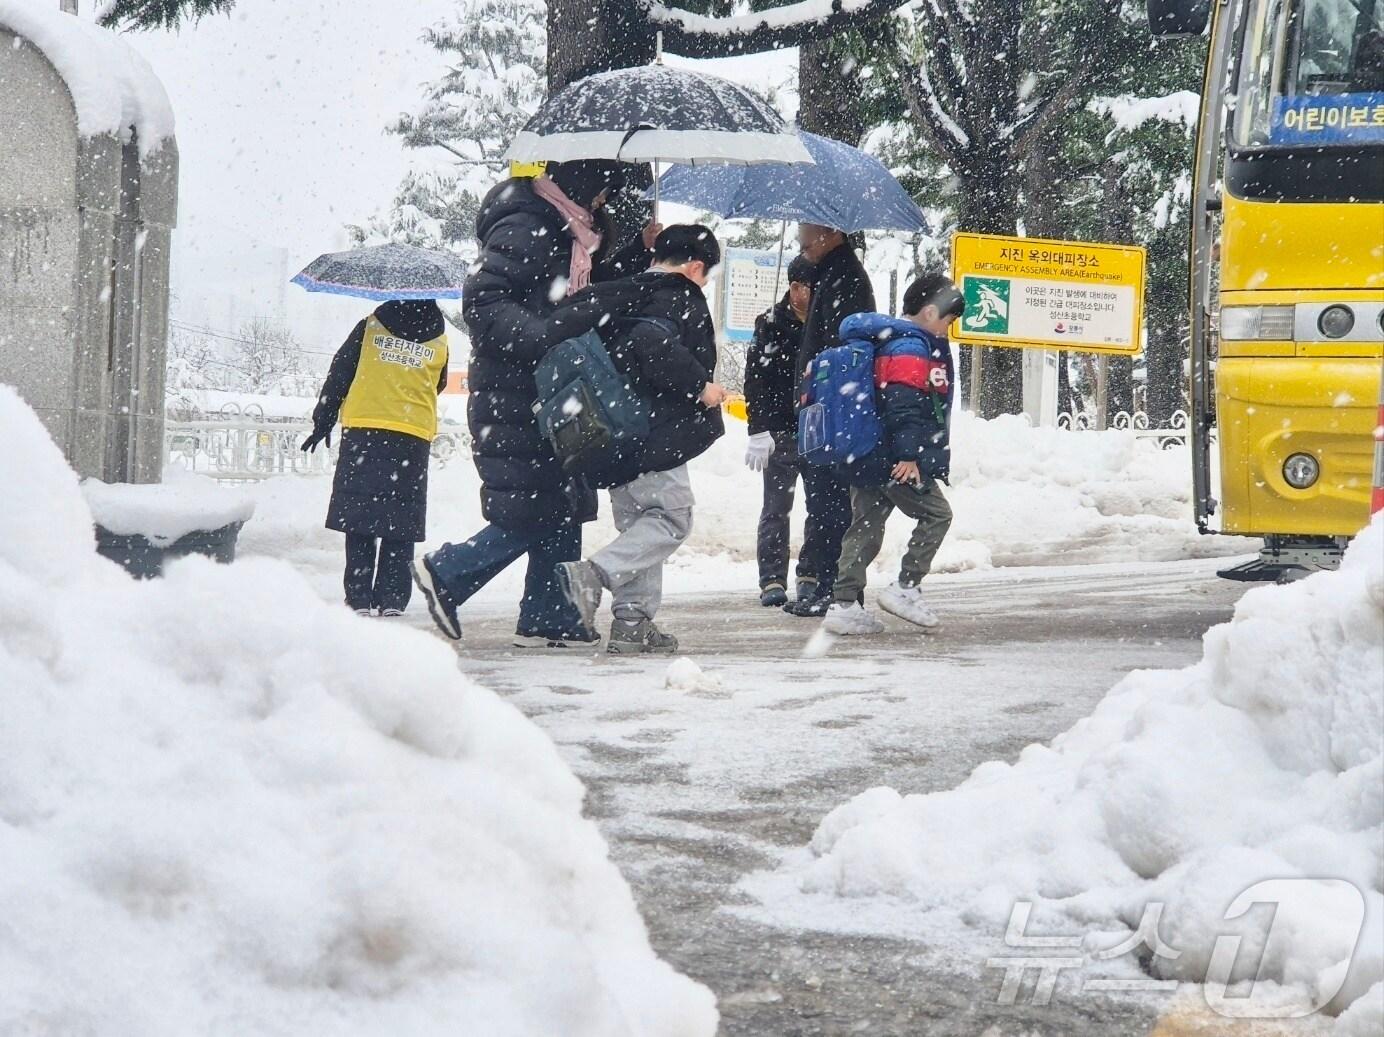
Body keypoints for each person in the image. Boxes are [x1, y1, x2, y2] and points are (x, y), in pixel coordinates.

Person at [412, 161, 658, 647]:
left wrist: (639, 252)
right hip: (518, 388)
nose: (604, 200)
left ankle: (551, 617)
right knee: (537, 504)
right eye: (602, 189)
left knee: (566, 499)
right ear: (582, 180)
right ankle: (449, 571)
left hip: (556, 387)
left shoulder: (572, 231)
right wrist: (541, 335)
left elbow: (587, 293)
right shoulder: (529, 224)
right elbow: (483, 300)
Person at [556, 225, 728, 655]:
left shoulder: (623, 292)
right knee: (671, 520)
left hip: (612, 432)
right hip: (657, 433)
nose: (704, 283)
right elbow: (651, 342)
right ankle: (593, 575)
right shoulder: (677, 295)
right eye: (706, 274)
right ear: (695, 267)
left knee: (640, 529)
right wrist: (700, 386)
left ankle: (632, 624)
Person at [821, 273, 963, 637]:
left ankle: (844, 604)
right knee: (937, 514)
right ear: (930, 312)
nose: (947, 330)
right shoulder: (911, 345)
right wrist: (908, 455)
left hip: (867, 450)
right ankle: (906, 586)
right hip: (895, 457)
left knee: (865, 525)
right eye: (948, 321)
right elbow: (904, 403)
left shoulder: (886, 339)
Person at [302, 299, 448, 617]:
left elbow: (340, 373)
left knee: (360, 516)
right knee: (400, 519)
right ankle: (392, 597)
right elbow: (439, 383)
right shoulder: (440, 338)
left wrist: (323, 419)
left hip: (366, 428)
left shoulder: (370, 327)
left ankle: (359, 598)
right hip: (412, 432)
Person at [784, 223, 877, 617]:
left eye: (807, 230)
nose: (801, 238)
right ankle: (827, 587)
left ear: (831, 231)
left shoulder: (846, 277)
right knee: (823, 502)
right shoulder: (829, 274)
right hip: (826, 408)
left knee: (833, 503)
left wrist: (820, 389)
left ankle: (837, 591)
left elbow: (843, 353)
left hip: (836, 411)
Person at [744, 254, 817, 608]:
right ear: (793, 287)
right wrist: (758, 429)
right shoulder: (770, 324)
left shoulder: (824, 322)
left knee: (820, 506)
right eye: (805, 287)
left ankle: (810, 574)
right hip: (781, 430)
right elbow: (755, 380)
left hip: (816, 428)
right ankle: (772, 578)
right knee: (776, 507)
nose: (809, 294)